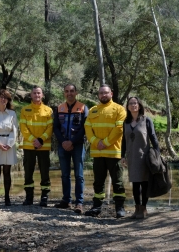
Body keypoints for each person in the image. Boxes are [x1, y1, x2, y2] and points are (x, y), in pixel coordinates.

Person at [84, 84, 127, 218]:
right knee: (98, 182)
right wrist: (97, 142)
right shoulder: (93, 110)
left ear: (111, 94)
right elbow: (88, 128)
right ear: (98, 95)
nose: (103, 95)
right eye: (101, 93)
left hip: (114, 152)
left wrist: (106, 143)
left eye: (106, 93)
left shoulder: (119, 109)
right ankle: (96, 207)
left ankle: (119, 208)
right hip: (98, 153)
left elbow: (119, 129)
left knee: (118, 182)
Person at [121, 96, 160, 219]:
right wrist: (122, 156)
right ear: (127, 107)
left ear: (139, 105)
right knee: (135, 184)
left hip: (144, 157)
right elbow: (123, 141)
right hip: (131, 157)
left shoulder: (146, 120)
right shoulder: (125, 122)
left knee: (145, 183)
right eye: (131, 103)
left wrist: (157, 154)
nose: (133, 105)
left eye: (135, 103)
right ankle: (136, 209)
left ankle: (143, 209)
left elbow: (153, 138)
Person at [53, 84, 88, 214]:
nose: (69, 93)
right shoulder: (59, 108)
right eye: (67, 91)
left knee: (79, 175)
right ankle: (66, 200)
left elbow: (85, 128)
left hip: (78, 145)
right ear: (64, 93)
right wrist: (63, 142)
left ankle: (79, 202)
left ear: (76, 92)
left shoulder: (83, 108)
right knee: (65, 174)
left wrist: (72, 141)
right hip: (63, 145)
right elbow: (55, 127)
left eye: (72, 91)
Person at [19, 85, 53, 206]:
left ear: (42, 95)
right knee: (28, 172)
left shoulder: (49, 110)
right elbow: (23, 128)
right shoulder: (25, 110)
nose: (37, 95)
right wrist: (34, 140)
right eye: (34, 93)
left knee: (45, 172)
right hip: (29, 146)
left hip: (43, 147)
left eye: (39, 93)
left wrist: (41, 140)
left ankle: (44, 196)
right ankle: (29, 197)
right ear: (31, 95)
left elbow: (50, 128)